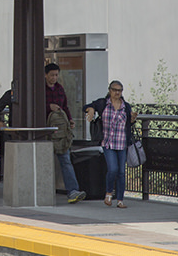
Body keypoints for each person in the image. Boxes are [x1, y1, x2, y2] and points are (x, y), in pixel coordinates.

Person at [44, 63, 86, 203]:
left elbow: (65, 107)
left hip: (61, 133)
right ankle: (44, 190)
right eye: (52, 75)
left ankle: (73, 191)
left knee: (66, 160)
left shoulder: (60, 89)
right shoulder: (40, 90)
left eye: (56, 75)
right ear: (45, 75)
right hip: (45, 132)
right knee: (46, 161)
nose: (54, 78)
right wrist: (48, 107)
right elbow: (35, 107)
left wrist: (70, 120)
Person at [95, 80, 136, 208]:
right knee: (112, 169)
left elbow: (128, 124)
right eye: (114, 90)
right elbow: (87, 106)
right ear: (110, 90)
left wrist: (133, 119)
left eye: (119, 90)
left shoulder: (126, 106)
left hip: (122, 142)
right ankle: (108, 193)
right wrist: (90, 110)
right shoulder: (103, 104)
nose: (117, 92)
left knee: (121, 172)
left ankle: (120, 199)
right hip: (108, 142)